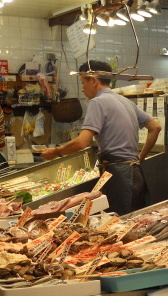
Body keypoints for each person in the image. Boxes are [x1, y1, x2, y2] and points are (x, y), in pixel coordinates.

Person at [41, 60, 161, 216]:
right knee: (133, 219)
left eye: (84, 82)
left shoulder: (97, 102)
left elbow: (82, 142)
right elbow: (155, 127)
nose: (83, 88)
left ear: (94, 81)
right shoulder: (125, 101)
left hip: (118, 175)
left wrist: (56, 152)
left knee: (120, 222)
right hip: (134, 172)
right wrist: (140, 157)